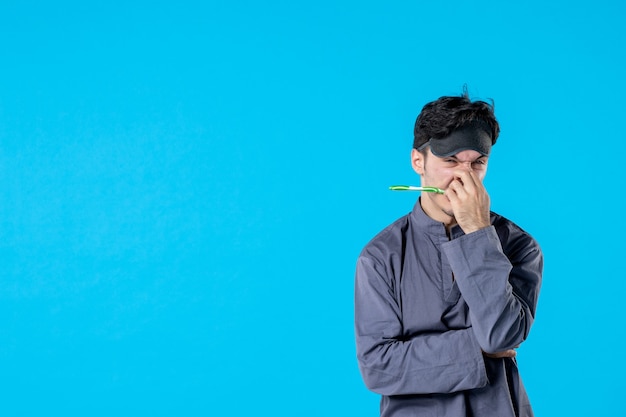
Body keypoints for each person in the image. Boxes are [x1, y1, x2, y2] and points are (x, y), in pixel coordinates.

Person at [354, 90, 543, 417]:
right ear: (418, 162)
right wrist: (478, 349)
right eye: (450, 160)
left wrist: (478, 231)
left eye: (477, 163)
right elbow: (379, 368)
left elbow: (502, 335)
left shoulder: (519, 245)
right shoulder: (380, 256)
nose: (464, 177)